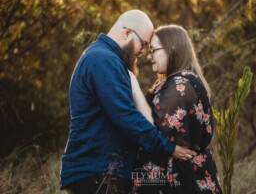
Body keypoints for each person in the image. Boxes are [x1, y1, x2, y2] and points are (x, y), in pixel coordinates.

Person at [60, 10, 196, 194]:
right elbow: (126, 117)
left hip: (96, 171)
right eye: (144, 44)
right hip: (98, 172)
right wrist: (170, 148)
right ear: (127, 33)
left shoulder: (100, 56)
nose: (143, 52)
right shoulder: (105, 60)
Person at [131, 24, 223, 193]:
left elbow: (148, 127)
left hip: (179, 178)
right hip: (180, 173)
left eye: (153, 50)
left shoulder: (181, 85)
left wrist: (133, 87)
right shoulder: (178, 81)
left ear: (171, 48)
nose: (149, 57)